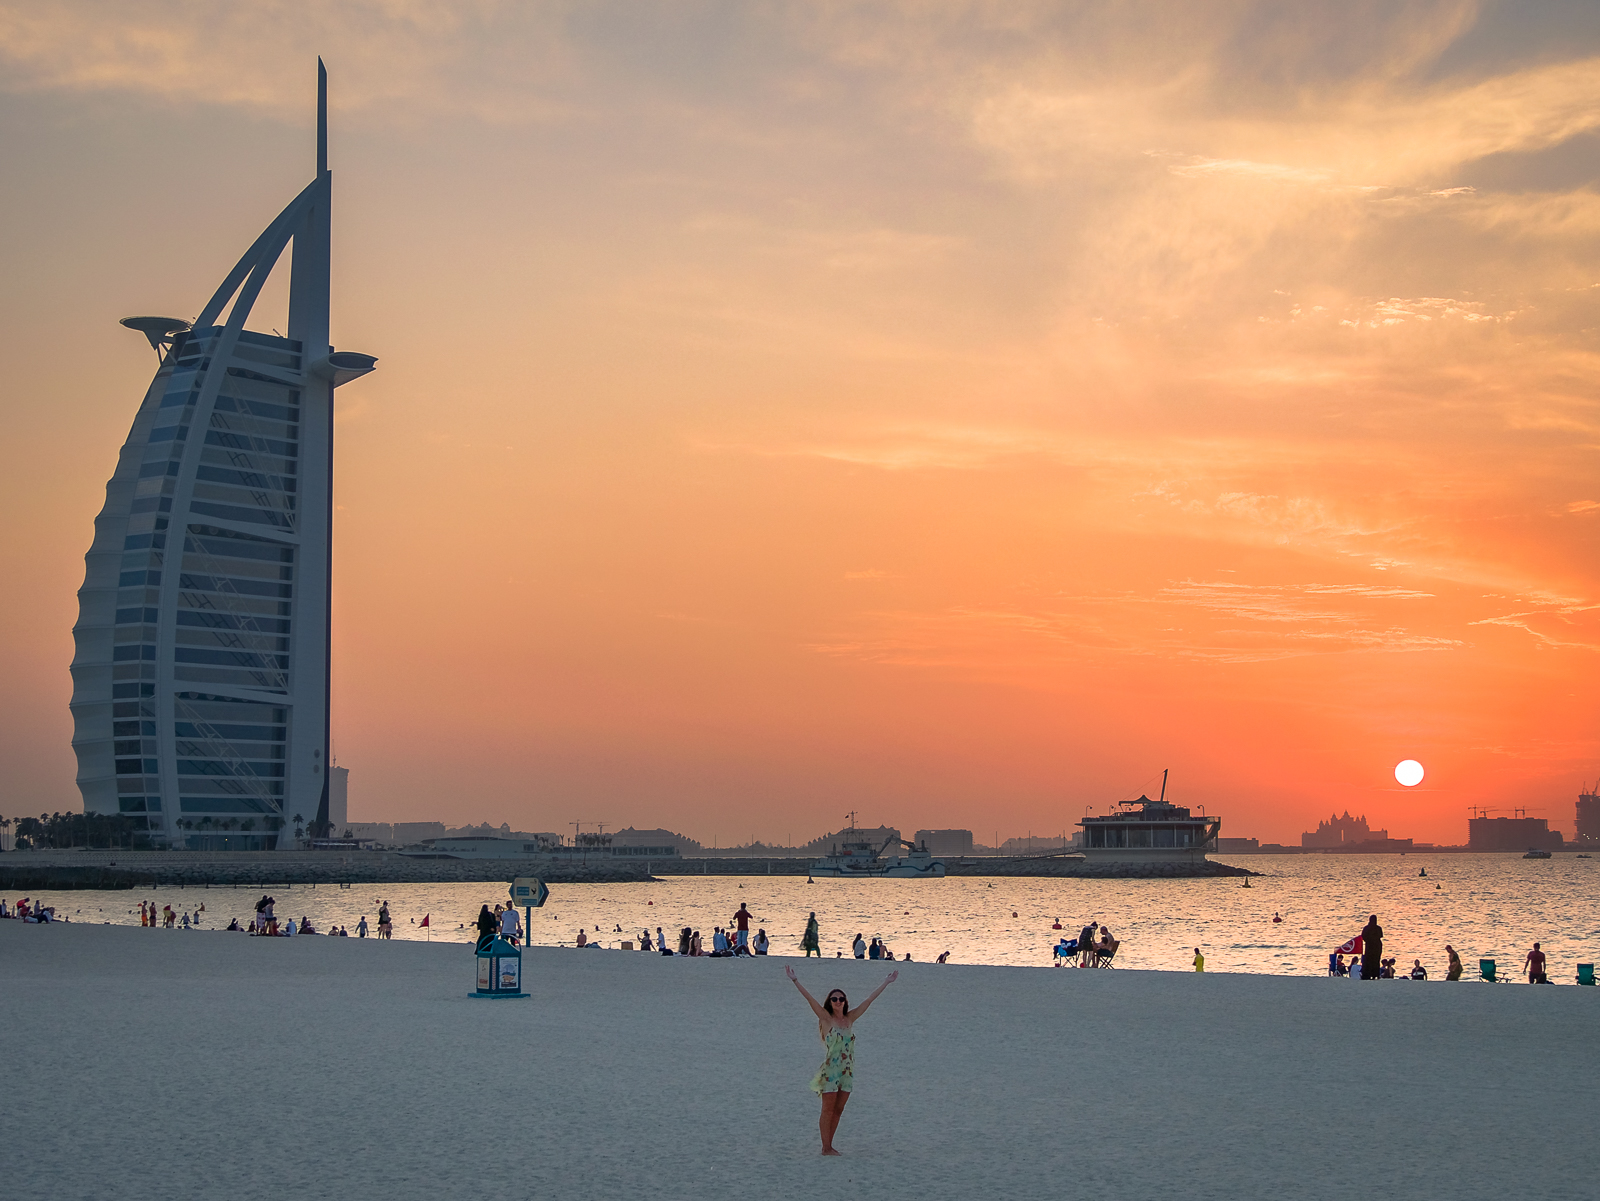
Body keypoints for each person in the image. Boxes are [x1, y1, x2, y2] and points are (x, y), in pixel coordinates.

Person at [785, 965, 898, 1155]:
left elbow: (868, 1000)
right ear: (830, 1002)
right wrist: (795, 980)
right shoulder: (826, 1018)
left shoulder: (850, 1018)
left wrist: (886, 982)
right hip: (831, 1071)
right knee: (827, 1110)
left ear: (845, 1001)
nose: (838, 1001)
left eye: (841, 998)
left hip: (847, 1071)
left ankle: (830, 1144)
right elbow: (810, 999)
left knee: (838, 1110)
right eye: (834, 999)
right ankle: (826, 1147)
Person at [1360, 915, 1383, 982]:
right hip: (1376, 946)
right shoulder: (1378, 928)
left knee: (1369, 960)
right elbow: (1380, 936)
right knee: (1376, 960)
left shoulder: (1366, 928)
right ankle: (1375, 975)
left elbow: (1363, 937)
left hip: (1370, 946)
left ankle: (1368, 974)